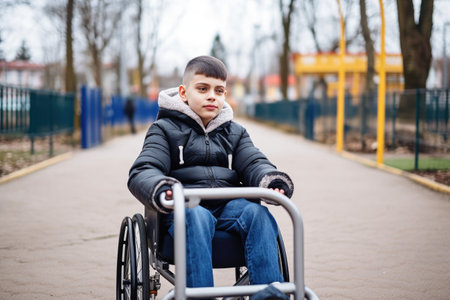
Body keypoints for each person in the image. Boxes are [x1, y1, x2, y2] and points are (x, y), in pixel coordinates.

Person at [128, 56, 294, 288]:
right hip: (185, 207)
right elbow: (145, 169)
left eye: (219, 90)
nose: (211, 96)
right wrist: (162, 188)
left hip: (228, 206)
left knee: (258, 214)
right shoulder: (163, 130)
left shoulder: (235, 133)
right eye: (203, 88)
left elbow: (254, 161)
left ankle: (268, 293)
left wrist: (269, 180)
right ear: (184, 93)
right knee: (197, 216)